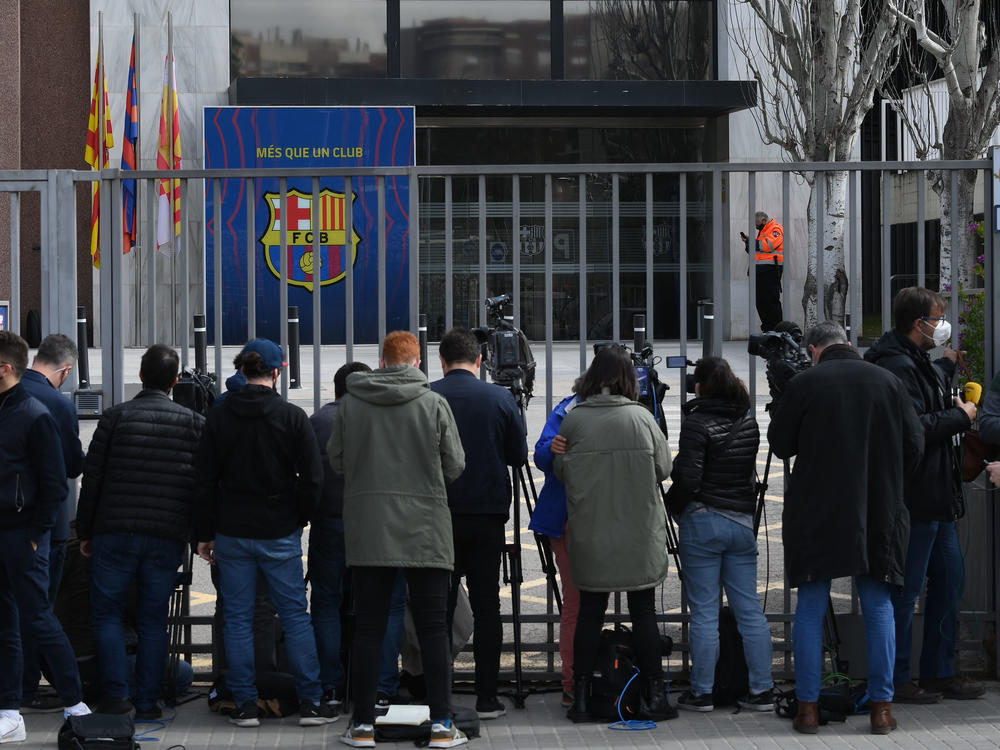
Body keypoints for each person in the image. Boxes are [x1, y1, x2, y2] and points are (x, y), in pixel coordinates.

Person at [770, 321, 923, 734]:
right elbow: (915, 443)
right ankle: (881, 710)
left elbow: (781, 444)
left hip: (817, 510)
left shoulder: (805, 383)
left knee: (811, 606)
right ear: (849, 345)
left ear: (814, 349)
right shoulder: (888, 381)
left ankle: (807, 710)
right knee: (878, 606)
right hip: (877, 506)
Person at [329, 330, 468, 748]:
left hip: (370, 529)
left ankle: (363, 726)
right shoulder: (434, 403)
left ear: (383, 362)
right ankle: (443, 725)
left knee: (369, 628)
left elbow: (337, 460)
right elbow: (456, 464)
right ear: (418, 363)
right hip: (425, 528)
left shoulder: (352, 405)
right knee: (432, 628)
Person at [194, 338, 335, 729]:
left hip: (232, 529)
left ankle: (244, 706)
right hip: (278, 529)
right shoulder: (292, 417)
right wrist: (299, 518)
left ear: (242, 370)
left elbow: (204, 480)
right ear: (278, 371)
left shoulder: (219, 416)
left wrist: (204, 532)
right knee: (293, 615)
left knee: (237, 618)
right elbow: (313, 479)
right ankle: (310, 702)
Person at [864, 287, 984, 703]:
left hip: (937, 495)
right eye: (939, 317)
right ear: (920, 324)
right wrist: (961, 416)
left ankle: (939, 670)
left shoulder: (913, 359)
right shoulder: (896, 365)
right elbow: (915, 427)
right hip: (915, 496)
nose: (943, 325)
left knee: (950, 579)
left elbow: (925, 402)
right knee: (906, 589)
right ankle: (897, 679)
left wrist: (947, 374)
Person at [75, 344, 204, 719]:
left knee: (108, 615)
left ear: (142, 376)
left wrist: (86, 530)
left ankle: (117, 699)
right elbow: (200, 485)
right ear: (175, 381)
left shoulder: (115, 418)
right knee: (153, 619)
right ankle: (149, 702)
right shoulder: (194, 423)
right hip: (165, 534)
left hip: (114, 531)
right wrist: (196, 534)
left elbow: (93, 478)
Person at [553, 344, 674, 723]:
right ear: (627, 379)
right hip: (638, 536)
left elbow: (563, 473)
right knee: (644, 613)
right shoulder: (641, 418)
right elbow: (664, 469)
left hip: (592, 536)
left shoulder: (575, 420)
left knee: (590, 613)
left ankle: (583, 697)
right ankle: (654, 694)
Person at [665, 356, 774, 712]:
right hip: (741, 522)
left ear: (701, 386)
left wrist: (674, 506)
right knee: (750, 612)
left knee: (705, 612)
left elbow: (688, 478)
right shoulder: (749, 422)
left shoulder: (696, 423)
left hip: (704, 520)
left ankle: (703, 692)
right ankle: (762, 690)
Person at [430, 327, 528, 720]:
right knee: (488, 606)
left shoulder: (429, 395)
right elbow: (518, 456)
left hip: (440, 513)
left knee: (440, 606)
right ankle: (487, 696)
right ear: (480, 360)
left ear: (441, 360)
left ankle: (440, 695)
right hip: (488, 514)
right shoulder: (500, 397)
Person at [0, 331, 89, 745]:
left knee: (38, 618)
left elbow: (56, 484)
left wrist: (34, 535)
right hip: (11, 532)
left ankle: (75, 703)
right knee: (7, 624)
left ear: (6, 369)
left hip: (23, 535)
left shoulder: (34, 414)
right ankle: (9, 710)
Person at [18, 333, 85, 714]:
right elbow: (72, 466)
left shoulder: (11, 394)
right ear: (67, 370)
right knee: (40, 608)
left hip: (11, 521)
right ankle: (36, 686)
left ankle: (17, 686)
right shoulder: (57, 404)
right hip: (49, 525)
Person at [529, 392, 582, 709]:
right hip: (569, 516)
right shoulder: (570, 408)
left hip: (600, 517)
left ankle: (579, 680)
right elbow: (541, 456)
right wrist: (553, 447)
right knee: (577, 602)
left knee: (578, 604)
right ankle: (574, 681)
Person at [740, 210, 784, 331]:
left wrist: (753, 242)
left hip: (771, 270)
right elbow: (755, 252)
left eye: (757, 224)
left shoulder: (776, 229)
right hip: (760, 271)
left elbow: (768, 246)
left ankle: (777, 330)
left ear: (764, 220)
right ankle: (768, 329)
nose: (756, 227)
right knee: (760, 302)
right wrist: (748, 242)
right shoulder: (763, 232)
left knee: (771, 301)